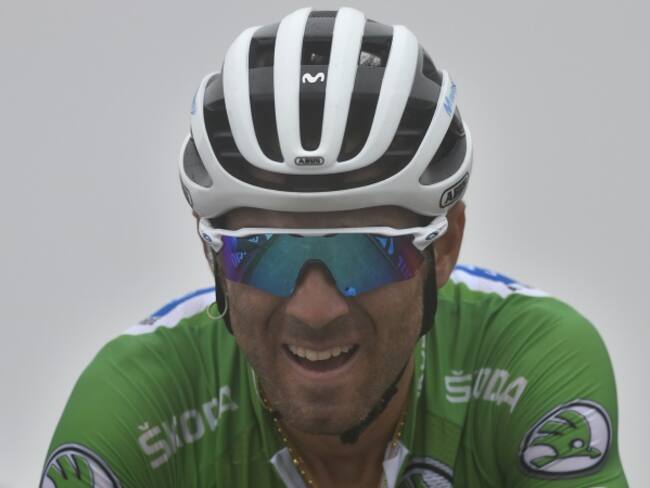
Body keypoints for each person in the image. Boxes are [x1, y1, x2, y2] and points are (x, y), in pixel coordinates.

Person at [41, 7, 627, 488]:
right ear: (214, 256)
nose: (315, 310)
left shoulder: (530, 359)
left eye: (365, 252)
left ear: (444, 248)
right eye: (265, 252)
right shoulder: (135, 407)